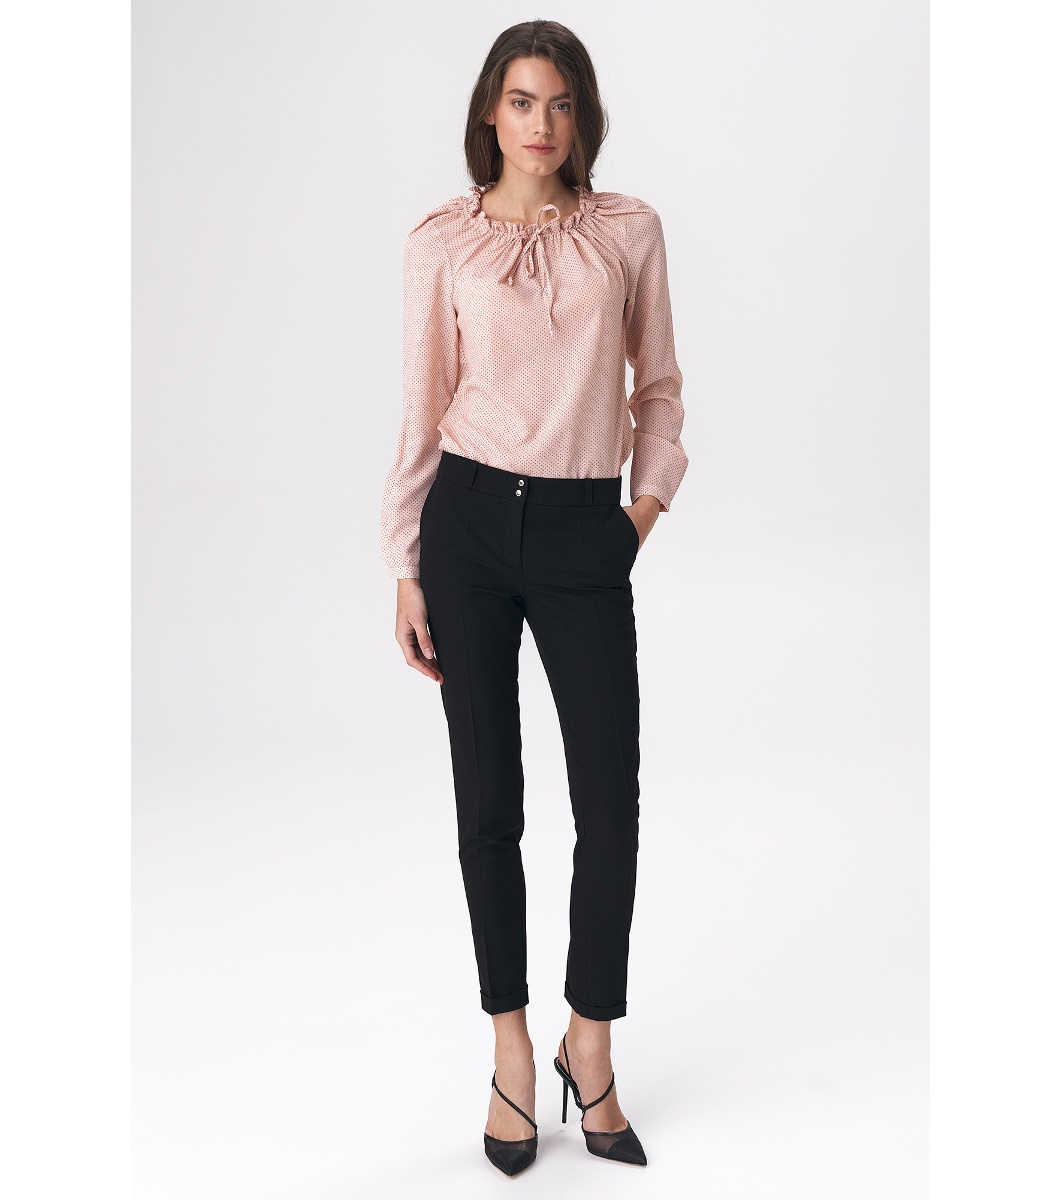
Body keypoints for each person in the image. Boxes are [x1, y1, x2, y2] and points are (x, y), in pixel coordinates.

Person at [380, 19, 688, 1176]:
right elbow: (420, 409)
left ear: (583, 115)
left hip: (580, 531)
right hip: (463, 525)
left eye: (560, 103)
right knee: (489, 803)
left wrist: (634, 519)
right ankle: (511, 1049)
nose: (541, 124)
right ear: (490, 112)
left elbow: (659, 389)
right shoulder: (441, 243)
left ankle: (588, 1043)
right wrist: (404, 564)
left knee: (609, 806)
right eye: (521, 101)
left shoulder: (627, 232)